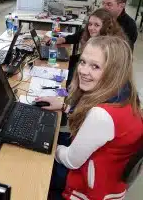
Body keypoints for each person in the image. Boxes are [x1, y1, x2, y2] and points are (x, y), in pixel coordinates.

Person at [36, 36, 143, 200]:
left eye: (95, 66)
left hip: (86, 190)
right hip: (108, 181)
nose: (83, 71)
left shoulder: (101, 115)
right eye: (83, 62)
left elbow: (72, 161)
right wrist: (64, 106)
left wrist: (47, 146)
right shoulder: (125, 94)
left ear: (114, 72)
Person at [56, 8, 127, 47]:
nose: (91, 28)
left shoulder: (112, 46)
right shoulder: (90, 33)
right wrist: (63, 39)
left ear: (107, 27)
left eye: (96, 25)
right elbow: (77, 36)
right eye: (90, 24)